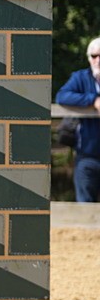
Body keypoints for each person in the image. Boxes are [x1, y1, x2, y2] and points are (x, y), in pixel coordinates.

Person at [55, 37, 100, 203]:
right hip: (87, 156)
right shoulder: (80, 77)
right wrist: (93, 100)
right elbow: (62, 96)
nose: (98, 60)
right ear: (89, 58)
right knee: (85, 208)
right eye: (94, 56)